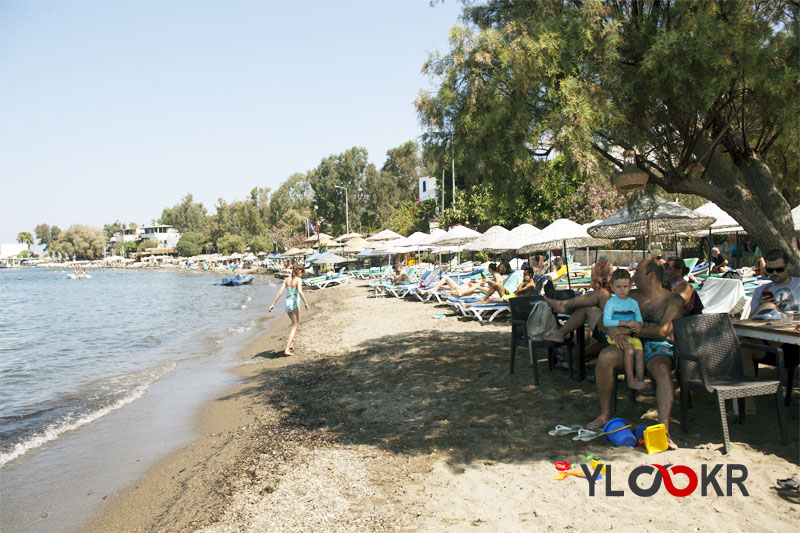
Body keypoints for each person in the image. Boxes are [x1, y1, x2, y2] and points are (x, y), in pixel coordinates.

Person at [587, 258, 685, 450]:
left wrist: (629, 330)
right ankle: (605, 414)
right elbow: (602, 322)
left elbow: (663, 331)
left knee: (662, 369)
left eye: (637, 272)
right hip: (628, 344)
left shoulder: (673, 300)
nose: (633, 276)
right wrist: (613, 331)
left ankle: (664, 428)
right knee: (606, 357)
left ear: (651, 275)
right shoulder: (627, 296)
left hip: (658, 345)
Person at [741, 249, 800, 412]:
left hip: (793, 342)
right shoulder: (761, 290)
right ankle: (748, 403)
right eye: (770, 270)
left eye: (779, 269)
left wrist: (777, 310)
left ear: (788, 266)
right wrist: (763, 305)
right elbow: (751, 321)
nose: (775, 274)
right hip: (769, 342)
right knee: (744, 346)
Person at [603, 269, 648, 391]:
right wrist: (624, 323)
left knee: (639, 352)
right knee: (629, 350)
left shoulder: (633, 303)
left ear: (630, 287)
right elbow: (606, 322)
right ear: (612, 287)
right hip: (616, 335)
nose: (622, 290)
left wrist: (638, 325)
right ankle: (630, 380)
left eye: (625, 286)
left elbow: (639, 319)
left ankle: (640, 380)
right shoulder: (611, 303)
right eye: (618, 287)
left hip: (632, 335)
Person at [268, 265, 310, 356]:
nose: (302, 275)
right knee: (294, 326)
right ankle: (287, 349)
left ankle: (291, 344)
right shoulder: (298, 280)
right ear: (299, 272)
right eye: (302, 273)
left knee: (293, 324)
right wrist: (306, 303)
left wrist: (273, 304)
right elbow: (300, 291)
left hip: (287, 304)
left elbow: (279, 292)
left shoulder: (286, 280)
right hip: (294, 304)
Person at [462, 267, 537, 307]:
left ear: (530, 275)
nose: (523, 276)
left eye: (525, 274)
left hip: (514, 300)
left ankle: (470, 305)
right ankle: (482, 300)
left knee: (491, 300)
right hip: (512, 296)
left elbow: (518, 291)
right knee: (496, 285)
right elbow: (518, 291)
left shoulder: (531, 286)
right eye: (523, 274)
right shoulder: (527, 283)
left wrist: (523, 281)